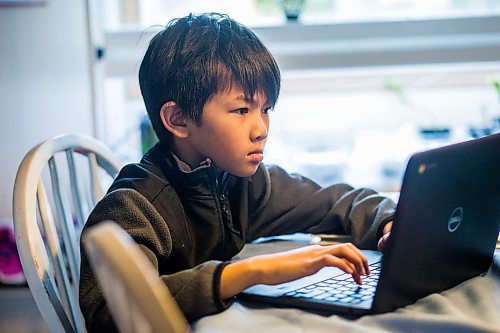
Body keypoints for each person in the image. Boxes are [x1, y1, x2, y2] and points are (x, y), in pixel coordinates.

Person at [79, 12, 395, 332]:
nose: (260, 129)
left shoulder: (238, 181)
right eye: (241, 110)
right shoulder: (133, 206)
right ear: (178, 119)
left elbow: (338, 200)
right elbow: (110, 314)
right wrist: (249, 272)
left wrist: (389, 222)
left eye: (266, 109)